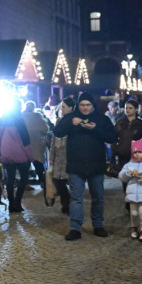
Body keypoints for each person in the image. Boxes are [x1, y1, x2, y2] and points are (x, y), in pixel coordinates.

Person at [53, 92, 117, 241]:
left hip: (96, 164)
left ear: (92, 105)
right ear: (78, 105)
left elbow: (112, 137)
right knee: (76, 198)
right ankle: (75, 228)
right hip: (76, 164)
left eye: (88, 105)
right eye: (82, 105)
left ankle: (98, 225)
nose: (85, 108)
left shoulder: (102, 119)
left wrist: (95, 129)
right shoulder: (71, 118)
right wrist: (70, 122)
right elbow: (57, 132)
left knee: (98, 197)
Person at [112, 98, 142, 194]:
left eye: (130, 108)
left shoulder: (141, 124)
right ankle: (129, 202)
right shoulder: (120, 123)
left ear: (136, 109)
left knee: (136, 179)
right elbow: (113, 138)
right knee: (125, 180)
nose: (127, 110)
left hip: (137, 156)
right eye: (126, 108)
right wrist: (116, 149)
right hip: (123, 155)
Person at [0, 98, 32, 213]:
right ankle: (18, 202)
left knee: (10, 179)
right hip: (20, 154)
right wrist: (30, 156)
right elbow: (25, 141)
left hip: (6, 153)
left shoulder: (2, 119)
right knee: (24, 178)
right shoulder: (19, 120)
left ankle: (11, 204)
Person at [47, 97, 75, 214]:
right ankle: (65, 202)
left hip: (69, 155)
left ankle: (69, 205)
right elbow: (54, 139)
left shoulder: (74, 121)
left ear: (71, 108)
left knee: (70, 180)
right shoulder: (59, 121)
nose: (61, 109)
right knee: (58, 180)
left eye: (64, 107)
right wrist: (51, 156)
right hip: (58, 155)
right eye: (61, 107)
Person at [22, 100, 52, 185]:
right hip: (37, 142)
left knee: (25, 164)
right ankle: (42, 182)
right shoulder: (37, 116)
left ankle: (25, 184)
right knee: (38, 162)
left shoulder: (21, 116)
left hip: (25, 143)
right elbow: (45, 129)